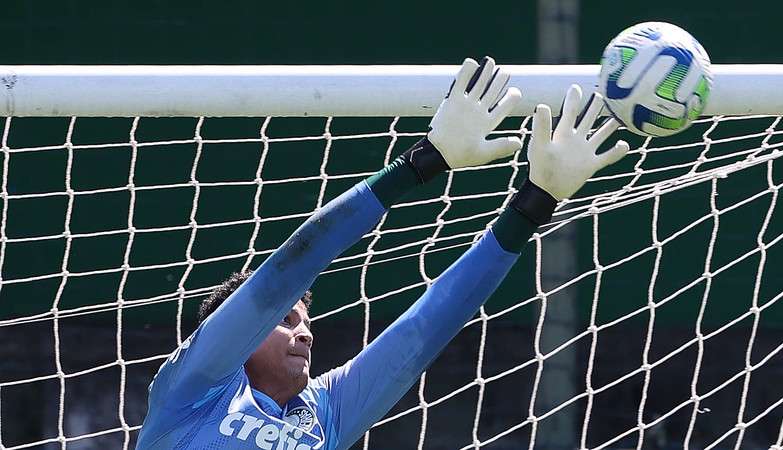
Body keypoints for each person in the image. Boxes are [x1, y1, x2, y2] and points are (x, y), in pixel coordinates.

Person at [135, 57, 629, 450]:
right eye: (286, 321)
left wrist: (535, 203)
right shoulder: (194, 389)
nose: (304, 332)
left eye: (304, 320)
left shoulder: (324, 414)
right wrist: (422, 162)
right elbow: (287, 269)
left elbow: (424, 328)